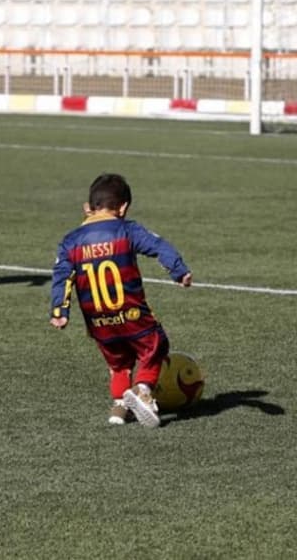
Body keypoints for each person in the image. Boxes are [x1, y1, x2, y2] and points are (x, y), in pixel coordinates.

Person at [49, 174, 192, 428]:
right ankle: (143, 391)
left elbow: (63, 277)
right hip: (131, 313)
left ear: (87, 208)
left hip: (98, 320)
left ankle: (119, 408)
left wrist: (60, 310)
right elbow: (159, 246)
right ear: (123, 207)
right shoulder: (127, 229)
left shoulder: (70, 241)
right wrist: (178, 270)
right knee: (156, 344)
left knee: (118, 363)